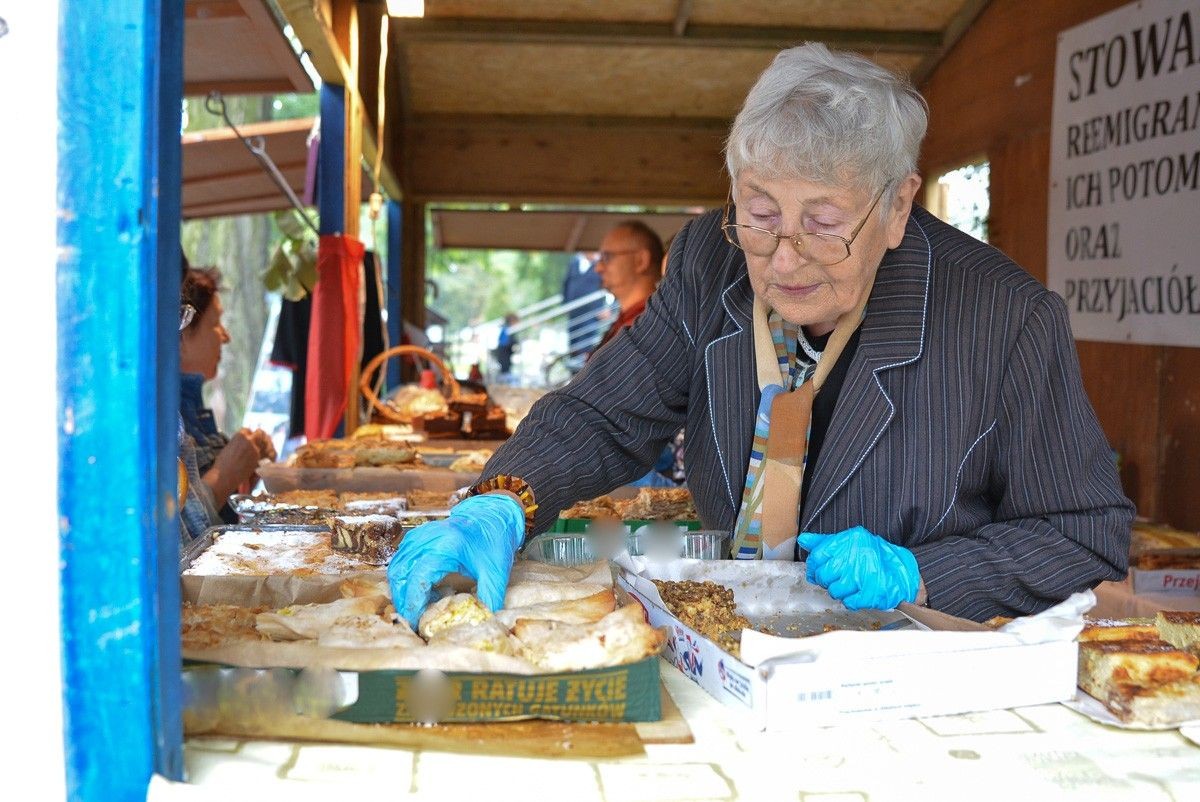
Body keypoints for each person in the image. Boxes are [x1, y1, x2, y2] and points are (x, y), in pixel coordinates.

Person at [388, 43, 1132, 626]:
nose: (783, 259)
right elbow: (605, 413)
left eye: (824, 223)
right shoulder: (710, 260)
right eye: (761, 213)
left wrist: (924, 573)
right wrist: (502, 500)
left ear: (899, 206)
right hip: (732, 631)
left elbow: (1081, 530)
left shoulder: (1004, 319)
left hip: (909, 661)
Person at [180, 268, 276, 520]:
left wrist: (246, 467)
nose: (226, 336)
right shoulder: (164, 420)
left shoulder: (191, 410)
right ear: (182, 331)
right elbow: (181, 531)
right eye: (215, 324)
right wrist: (225, 474)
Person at [591, 220, 664, 353]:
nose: (598, 268)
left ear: (641, 261)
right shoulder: (627, 320)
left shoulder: (650, 325)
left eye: (607, 257)